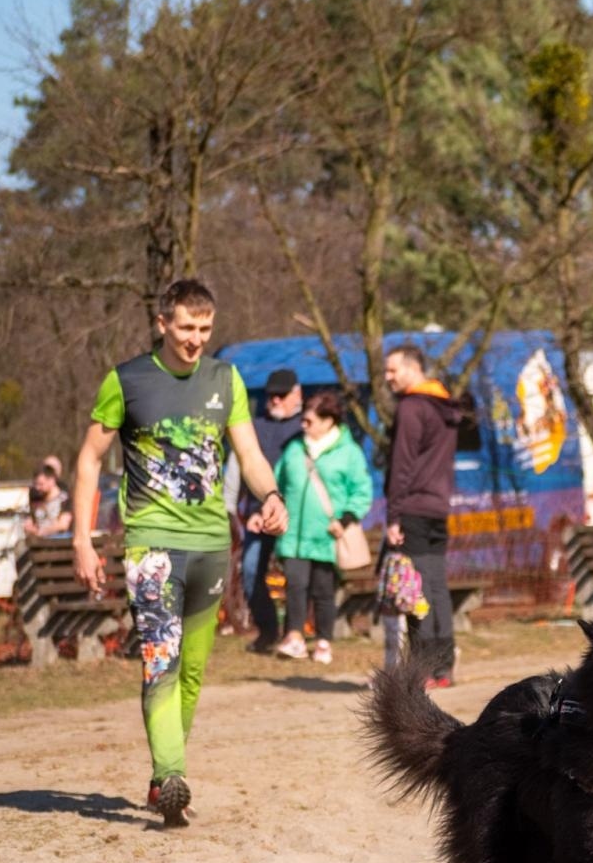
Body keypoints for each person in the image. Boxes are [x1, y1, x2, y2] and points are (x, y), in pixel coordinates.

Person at [72, 279, 288, 828]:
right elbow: (89, 460)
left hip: (212, 543)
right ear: (163, 323)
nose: (196, 339)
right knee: (160, 662)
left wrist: (271, 495)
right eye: (187, 328)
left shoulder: (225, 378)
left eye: (205, 329)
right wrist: (81, 538)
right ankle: (171, 774)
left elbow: (250, 452)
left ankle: (163, 779)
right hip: (152, 543)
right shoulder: (127, 380)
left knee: (191, 672)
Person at [382, 345, 462, 688]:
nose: (387, 378)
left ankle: (422, 669)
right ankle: (443, 668)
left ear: (413, 369)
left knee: (416, 592)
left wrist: (394, 514)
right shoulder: (445, 407)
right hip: (438, 507)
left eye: (392, 370)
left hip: (413, 507)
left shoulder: (413, 407)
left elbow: (403, 463)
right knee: (436, 588)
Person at [272, 390, 372, 664]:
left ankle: (324, 641)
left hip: (328, 535)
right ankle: (294, 638)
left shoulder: (349, 452)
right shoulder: (294, 447)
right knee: (295, 585)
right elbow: (275, 481)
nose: (303, 425)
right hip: (293, 534)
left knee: (322, 590)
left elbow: (361, 492)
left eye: (309, 421)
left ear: (329, 421)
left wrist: (346, 519)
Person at [233, 369, 304, 652]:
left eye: (282, 395)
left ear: (297, 394)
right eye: (270, 394)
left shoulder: (305, 427)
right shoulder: (255, 427)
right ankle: (268, 630)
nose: (274, 400)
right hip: (258, 517)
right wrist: (249, 511)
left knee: (297, 578)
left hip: (296, 518)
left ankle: (295, 634)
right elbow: (246, 470)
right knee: (250, 571)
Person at [24, 465, 73, 537]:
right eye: (36, 484)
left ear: (51, 480)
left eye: (41, 484)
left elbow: (63, 525)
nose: (37, 488)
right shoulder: (35, 499)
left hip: (59, 541)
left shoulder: (65, 499)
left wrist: (41, 532)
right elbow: (31, 520)